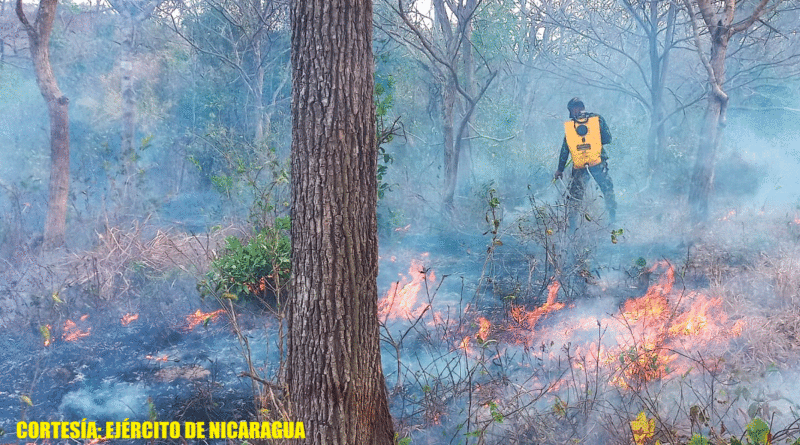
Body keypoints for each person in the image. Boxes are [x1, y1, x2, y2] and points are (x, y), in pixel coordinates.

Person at [554, 97, 617, 225]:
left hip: (580, 165)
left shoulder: (572, 126)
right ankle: (613, 220)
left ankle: (572, 227)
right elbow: (608, 139)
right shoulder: (597, 119)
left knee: (576, 195)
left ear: (573, 109)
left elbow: (565, 150)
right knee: (607, 189)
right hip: (598, 161)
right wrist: (593, 143)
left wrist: (560, 169)